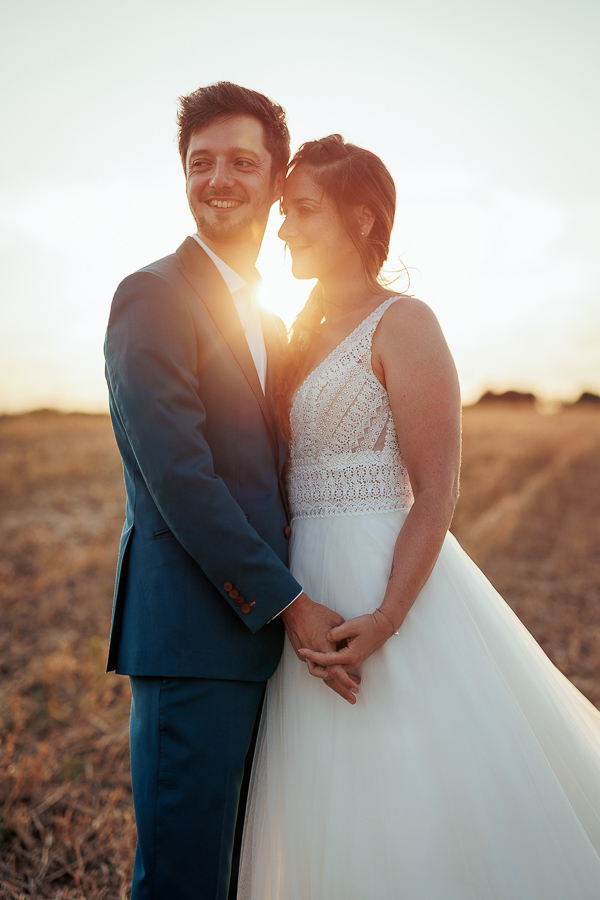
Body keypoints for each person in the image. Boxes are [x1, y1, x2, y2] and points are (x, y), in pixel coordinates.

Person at [237, 134, 600, 899]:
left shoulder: (405, 322)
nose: (284, 228)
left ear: (363, 219)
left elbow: (437, 488)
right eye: (284, 213)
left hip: (385, 584)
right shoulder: (295, 333)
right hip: (306, 593)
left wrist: (388, 616)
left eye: (302, 210)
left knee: (412, 791)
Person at [104, 85, 359, 900]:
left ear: (276, 180)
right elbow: (180, 477)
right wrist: (290, 603)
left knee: (242, 876)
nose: (218, 179)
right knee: (183, 881)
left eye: (242, 163)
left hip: (259, 650)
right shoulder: (151, 296)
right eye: (201, 162)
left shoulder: (268, 321)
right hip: (192, 640)